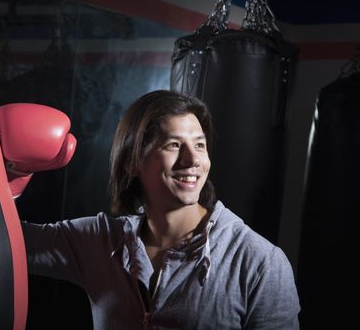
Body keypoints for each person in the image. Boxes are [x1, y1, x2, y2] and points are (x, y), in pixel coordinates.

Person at [21, 90, 300, 329]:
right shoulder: (101, 240)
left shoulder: (259, 262)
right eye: (174, 145)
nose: (192, 160)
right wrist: (16, 172)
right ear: (132, 162)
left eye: (200, 145)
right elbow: (5, 243)